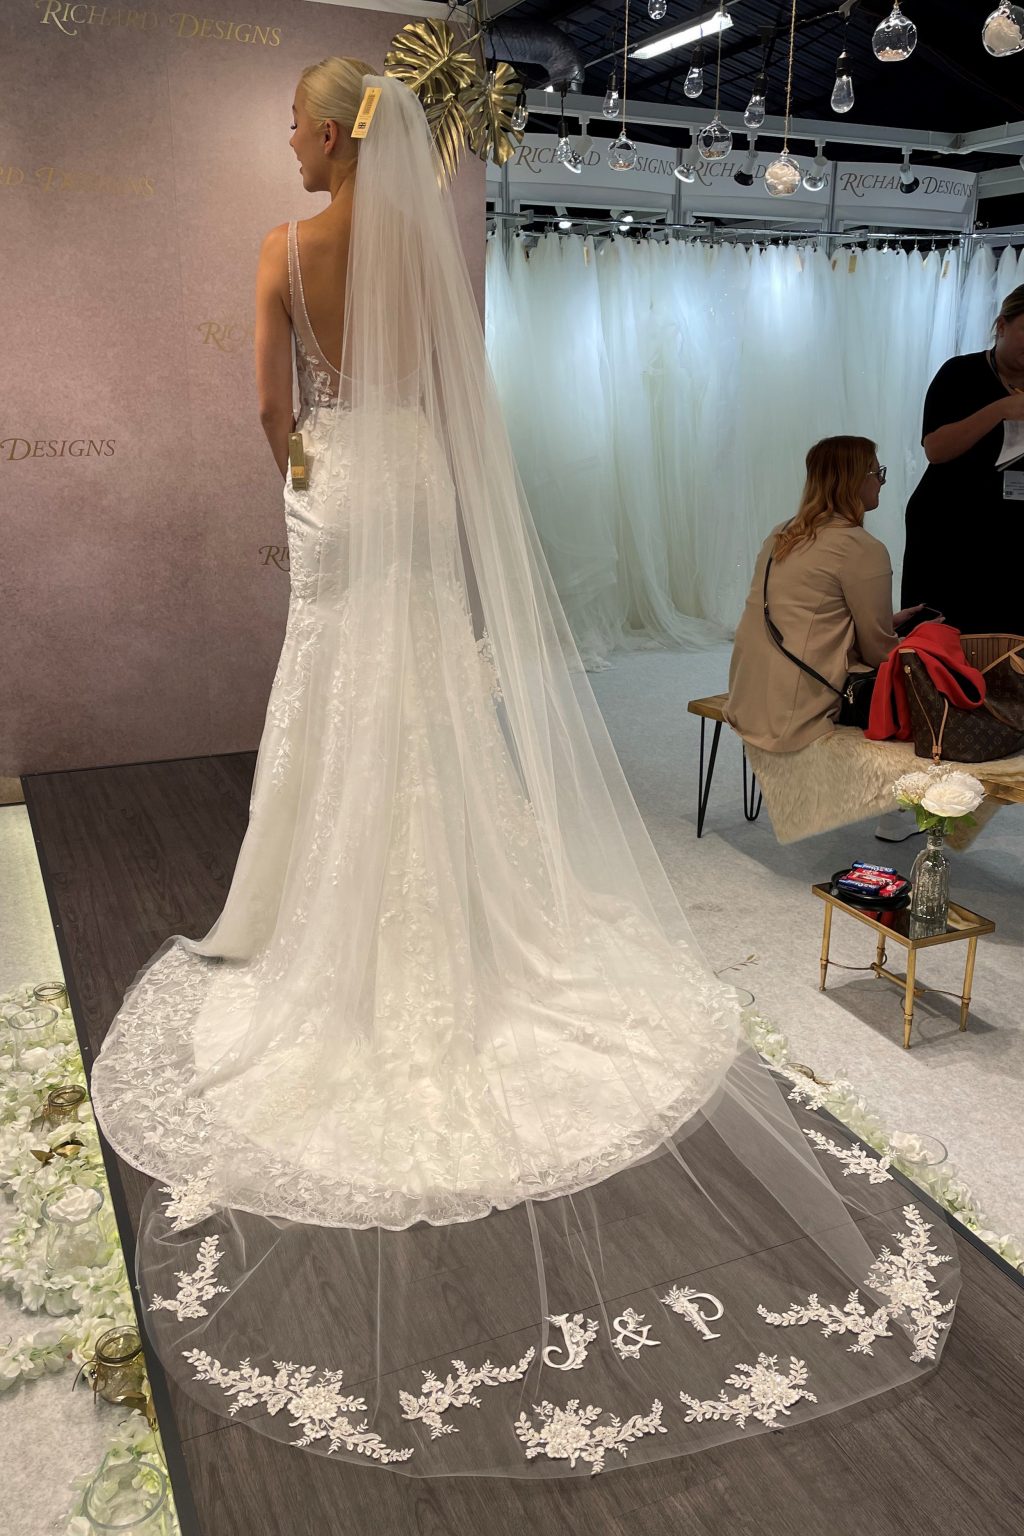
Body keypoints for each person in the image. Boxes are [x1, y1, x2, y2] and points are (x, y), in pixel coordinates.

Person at [89, 68, 958, 1477]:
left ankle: (314, 898)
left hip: (337, 484)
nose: (287, 141)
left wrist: (306, 468)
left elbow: (268, 406)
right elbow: (455, 407)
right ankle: (461, 903)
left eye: (295, 124)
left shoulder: (282, 250)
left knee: (330, 684)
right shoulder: (420, 254)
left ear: (332, 133)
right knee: (428, 690)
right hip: (416, 480)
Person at [726, 436, 922, 754]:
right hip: (795, 711)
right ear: (854, 480)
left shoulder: (781, 533)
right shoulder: (861, 547)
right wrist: (920, 643)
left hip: (747, 695)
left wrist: (886, 622)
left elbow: (803, 615)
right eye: (877, 473)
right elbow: (879, 652)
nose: (882, 482)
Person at [902, 284, 1024, 635]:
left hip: (1012, 533)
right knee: (943, 638)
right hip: (949, 529)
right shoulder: (960, 374)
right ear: (1001, 326)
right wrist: (1001, 409)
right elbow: (936, 448)